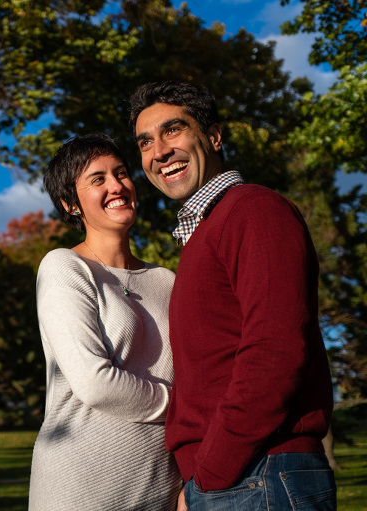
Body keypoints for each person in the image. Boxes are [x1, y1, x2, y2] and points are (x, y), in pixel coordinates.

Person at [129, 80, 336, 510]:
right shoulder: (206, 231)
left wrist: (213, 470)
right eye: (145, 142)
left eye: (173, 130)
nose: (158, 152)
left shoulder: (254, 209)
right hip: (238, 478)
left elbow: (274, 350)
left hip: (258, 473)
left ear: (214, 136)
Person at [28, 132, 182, 510]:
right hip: (79, 490)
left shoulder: (168, 280)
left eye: (121, 173)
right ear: (70, 205)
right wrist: (187, 406)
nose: (117, 186)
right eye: (97, 179)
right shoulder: (65, 267)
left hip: (161, 491)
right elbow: (96, 384)